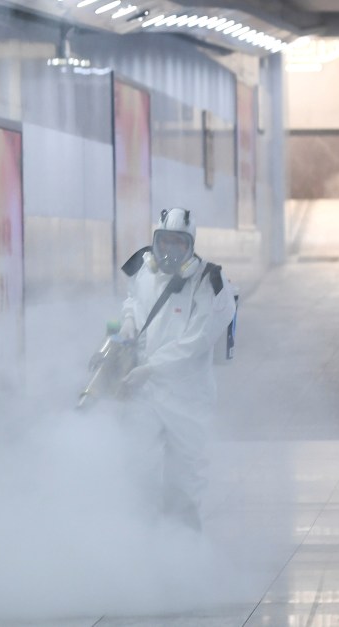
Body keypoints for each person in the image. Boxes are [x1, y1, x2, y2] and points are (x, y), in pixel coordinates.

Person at [118, 207, 236, 531]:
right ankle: (144, 551)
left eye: (178, 244)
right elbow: (133, 299)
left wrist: (150, 368)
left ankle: (185, 558)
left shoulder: (210, 284)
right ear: (155, 241)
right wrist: (129, 321)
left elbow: (196, 342)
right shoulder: (145, 270)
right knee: (138, 472)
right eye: (164, 242)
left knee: (184, 483)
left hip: (188, 399)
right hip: (146, 392)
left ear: (191, 245)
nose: (169, 250)